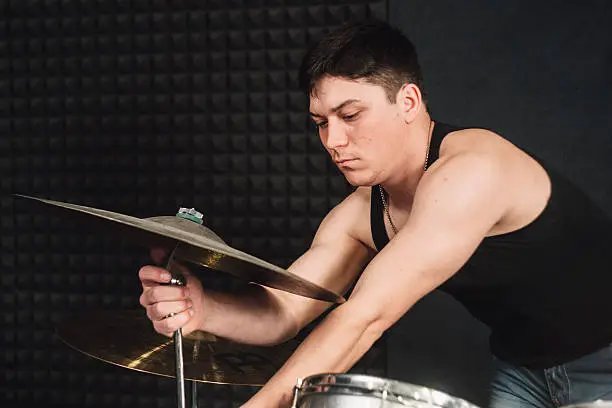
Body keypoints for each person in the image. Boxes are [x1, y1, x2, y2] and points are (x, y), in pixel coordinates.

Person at [138, 20, 612, 408]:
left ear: (408, 102)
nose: (333, 141)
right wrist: (204, 309)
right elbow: (283, 311)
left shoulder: (471, 172)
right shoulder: (359, 215)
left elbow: (364, 318)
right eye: (321, 123)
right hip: (521, 369)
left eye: (351, 115)